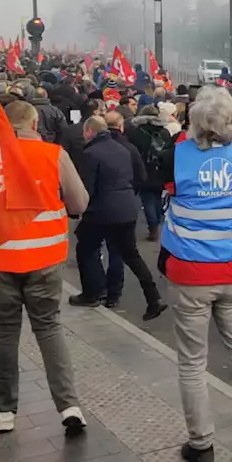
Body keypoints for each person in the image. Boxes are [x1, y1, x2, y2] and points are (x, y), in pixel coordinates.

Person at [0, 97, 89, 436]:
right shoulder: (54, 155)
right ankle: (69, 406)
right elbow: (79, 202)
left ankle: (4, 411)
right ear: (34, 124)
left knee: (4, 330)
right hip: (44, 257)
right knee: (49, 328)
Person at [158, 86, 232, 462]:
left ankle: (202, 445)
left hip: (189, 271)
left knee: (192, 361)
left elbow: (158, 185)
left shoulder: (174, 157)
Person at [69, 115, 166, 319]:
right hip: (126, 209)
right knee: (131, 255)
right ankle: (153, 298)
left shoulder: (91, 153)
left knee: (85, 248)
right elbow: (136, 177)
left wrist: (76, 208)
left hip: (101, 212)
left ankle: (92, 293)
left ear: (89, 131)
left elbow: (88, 188)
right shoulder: (123, 149)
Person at [128, 103, 173, 241]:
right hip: (160, 169)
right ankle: (158, 221)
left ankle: (153, 228)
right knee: (158, 196)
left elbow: (132, 152)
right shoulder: (165, 132)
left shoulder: (137, 132)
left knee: (147, 199)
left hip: (143, 169)